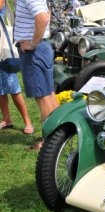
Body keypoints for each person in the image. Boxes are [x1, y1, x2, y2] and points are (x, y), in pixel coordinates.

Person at [14, 0, 60, 149]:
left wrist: (33, 43)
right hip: (40, 48)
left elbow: (43, 17)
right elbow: (47, 14)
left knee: (43, 96)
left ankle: (50, 142)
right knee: (48, 93)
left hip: (35, 51)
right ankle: (59, 135)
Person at [0, 0, 34, 134]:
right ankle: (7, 119)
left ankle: (27, 121)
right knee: (0, 89)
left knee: (13, 87)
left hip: (2, 50)